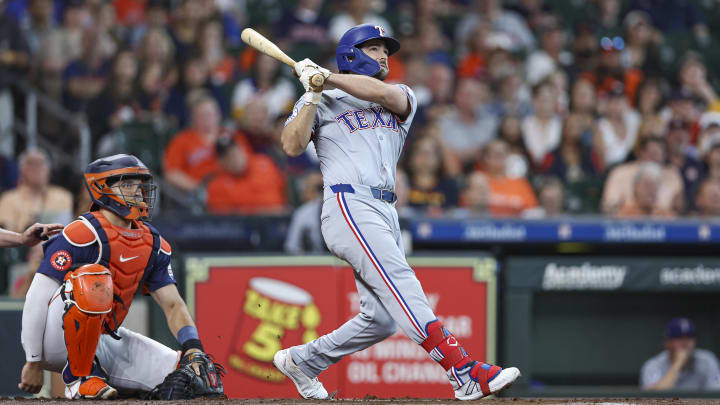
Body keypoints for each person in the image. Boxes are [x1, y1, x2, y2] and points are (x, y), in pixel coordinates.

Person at [278, 24, 520, 401]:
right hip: (348, 203)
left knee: (381, 320)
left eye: (384, 49)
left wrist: (327, 78)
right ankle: (462, 370)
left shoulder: (400, 95)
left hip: (386, 208)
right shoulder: (322, 101)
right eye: (373, 49)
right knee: (400, 280)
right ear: (351, 55)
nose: (383, 55)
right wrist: (311, 92)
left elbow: (381, 92)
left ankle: (303, 361)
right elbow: (292, 146)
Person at [18, 154, 224, 399]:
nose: (137, 191)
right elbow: (36, 296)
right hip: (54, 339)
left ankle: (117, 385)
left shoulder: (153, 243)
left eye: (139, 184)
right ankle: (79, 379)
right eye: (127, 184)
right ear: (101, 189)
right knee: (93, 278)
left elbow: (172, 304)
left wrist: (193, 348)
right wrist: (32, 361)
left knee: (194, 380)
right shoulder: (82, 232)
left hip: (103, 338)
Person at [640, 318, 720, 390]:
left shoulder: (707, 361)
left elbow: (716, 395)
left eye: (689, 337)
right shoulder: (653, 365)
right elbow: (653, 399)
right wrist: (678, 363)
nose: (685, 343)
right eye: (679, 338)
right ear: (667, 343)